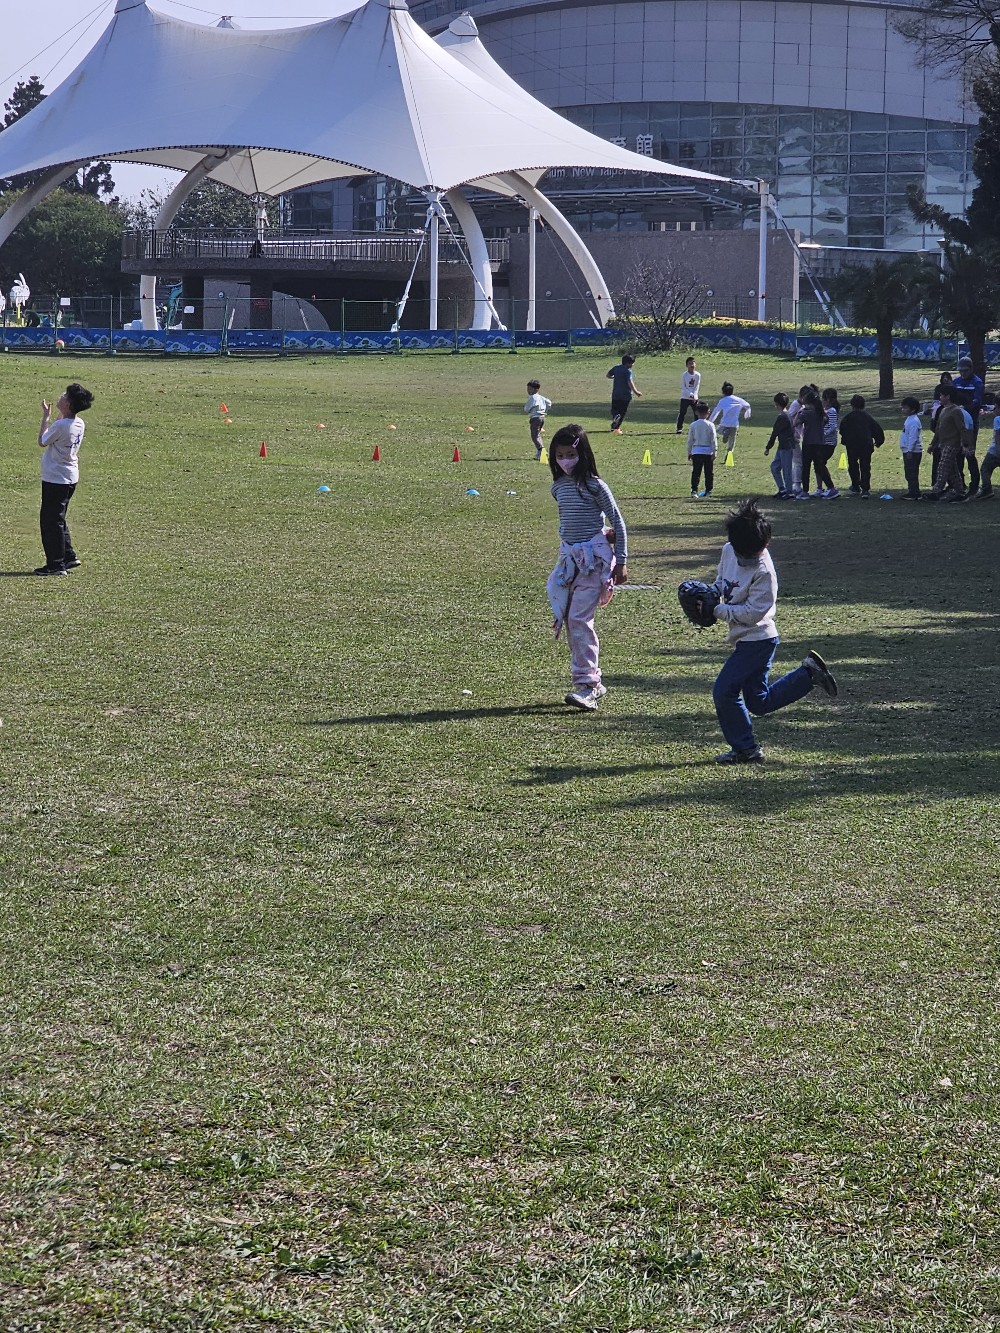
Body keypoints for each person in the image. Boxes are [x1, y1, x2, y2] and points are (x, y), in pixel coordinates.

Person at [700, 498, 838, 764]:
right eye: (743, 553)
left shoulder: (764, 572)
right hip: (745, 640)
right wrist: (709, 595)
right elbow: (721, 581)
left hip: (758, 639)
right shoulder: (729, 550)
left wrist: (717, 610)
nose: (746, 559)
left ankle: (746, 749)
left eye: (752, 554)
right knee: (759, 703)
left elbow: (753, 614)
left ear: (764, 545)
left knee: (724, 691)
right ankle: (808, 674)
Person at [546, 424, 628, 711]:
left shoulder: (596, 486)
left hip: (595, 564)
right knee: (570, 618)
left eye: (570, 455)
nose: (565, 461)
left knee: (579, 619)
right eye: (559, 456)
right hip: (570, 562)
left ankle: (588, 687)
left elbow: (618, 522)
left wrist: (621, 561)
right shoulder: (558, 487)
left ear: (583, 454)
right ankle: (592, 680)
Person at [35, 382, 94, 575]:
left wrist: (45, 418)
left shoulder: (60, 426)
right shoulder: (78, 423)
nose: (61, 396)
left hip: (56, 479)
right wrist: (58, 415)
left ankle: (56, 565)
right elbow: (61, 427)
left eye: (65, 395)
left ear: (68, 404)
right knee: (57, 518)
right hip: (70, 477)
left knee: (50, 522)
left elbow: (42, 441)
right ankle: (68, 556)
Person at [924, 382, 967, 502]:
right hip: (943, 444)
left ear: (948, 397)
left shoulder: (956, 411)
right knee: (952, 471)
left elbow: (962, 429)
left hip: (952, 444)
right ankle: (960, 493)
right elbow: (938, 429)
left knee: (942, 467)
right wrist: (933, 444)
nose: (940, 397)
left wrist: (965, 444)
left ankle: (936, 491)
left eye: (941, 395)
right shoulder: (943, 410)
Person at [838, 393, 885, 497]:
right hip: (866, 444)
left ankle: (855, 485)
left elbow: (842, 430)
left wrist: (845, 439)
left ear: (852, 406)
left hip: (852, 445)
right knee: (865, 466)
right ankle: (865, 488)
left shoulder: (848, 418)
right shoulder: (868, 417)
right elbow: (877, 429)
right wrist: (879, 441)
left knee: (853, 465)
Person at [952, 355, 984, 496]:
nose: (963, 373)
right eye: (960, 371)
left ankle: (974, 485)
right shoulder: (956, 382)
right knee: (957, 454)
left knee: (969, 453)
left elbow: (976, 402)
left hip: (971, 423)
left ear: (971, 369)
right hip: (957, 422)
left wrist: (963, 409)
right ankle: (960, 484)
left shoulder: (977, 383)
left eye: (965, 371)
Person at [796, 390, 837, 499]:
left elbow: (795, 423)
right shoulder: (820, 412)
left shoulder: (806, 413)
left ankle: (805, 491)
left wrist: (799, 412)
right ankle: (831, 487)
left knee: (806, 467)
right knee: (819, 466)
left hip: (808, 442)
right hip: (819, 443)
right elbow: (826, 420)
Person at [764, 392, 795, 497]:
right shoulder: (788, 415)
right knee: (775, 467)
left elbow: (775, 433)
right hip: (783, 446)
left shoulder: (782, 417)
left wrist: (768, 447)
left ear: (777, 404)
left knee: (787, 470)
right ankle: (782, 489)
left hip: (786, 446)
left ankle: (789, 491)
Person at [709, 382, 751, 457]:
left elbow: (716, 411)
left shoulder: (722, 401)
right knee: (732, 442)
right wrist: (747, 413)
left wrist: (710, 421)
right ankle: (728, 456)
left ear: (723, 392)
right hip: (734, 424)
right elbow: (747, 405)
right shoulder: (738, 399)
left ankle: (725, 432)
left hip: (725, 423)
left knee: (718, 431)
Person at [686, 399, 717, 498]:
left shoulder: (693, 425)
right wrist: (714, 451)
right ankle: (709, 490)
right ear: (708, 413)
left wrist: (689, 451)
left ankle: (694, 490)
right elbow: (713, 439)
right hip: (708, 451)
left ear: (696, 412)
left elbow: (690, 440)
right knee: (709, 473)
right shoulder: (711, 425)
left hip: (696, 451)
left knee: (696, 472)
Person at [606, 354, 641, 434]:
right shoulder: (628, 371)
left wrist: (613, 377)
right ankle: (616, 428)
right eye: (632, 363)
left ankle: (615, 418)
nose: (633, 365)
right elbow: (629, 382)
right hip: (626, 395)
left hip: (616, 394)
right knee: (622, 412)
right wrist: (636, 392)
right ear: (627, 363)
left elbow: (608, 375)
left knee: (615, 409)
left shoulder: (616, 368)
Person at [898, 396, 923, 499]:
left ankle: (914, 492)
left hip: (913, 451)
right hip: (908, 450)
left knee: (911, 472)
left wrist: (910, 450)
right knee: (909, 472)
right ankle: (912, 490)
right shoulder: (909, 419)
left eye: (905, 408)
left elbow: (913, 437)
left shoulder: (914, 422)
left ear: (912, 409)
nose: (903, 410)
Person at [523, 379, 552, 460]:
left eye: (530, 389)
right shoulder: (541, 397)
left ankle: (541, 451)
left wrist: (528, 410)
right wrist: (545, 410)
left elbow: (527, 408)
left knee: (534, 436)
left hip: (535, 418)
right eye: (528, 389)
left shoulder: (533, 398)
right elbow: (549, 403)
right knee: (537, 435)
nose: (528, 390)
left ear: (536, 389)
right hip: (542, 417)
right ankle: (541, 451)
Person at [978, 394, 999, 498]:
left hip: (995, 451)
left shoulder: (998, 419)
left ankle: (986, 489)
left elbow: (998, 435)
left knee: (985, 468)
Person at [675, 355, 701, 434]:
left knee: (697, 413)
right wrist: (690, 394)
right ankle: (679, 428)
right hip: (685, 397)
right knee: (682, 413)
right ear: (687, 365)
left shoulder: (698, 375)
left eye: (693, 363)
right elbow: (683, 387)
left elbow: (697, 386)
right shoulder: (685, 375)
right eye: (690, 364)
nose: (692, 365)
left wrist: (694, 395)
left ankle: (697, 428)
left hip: (694, 398)